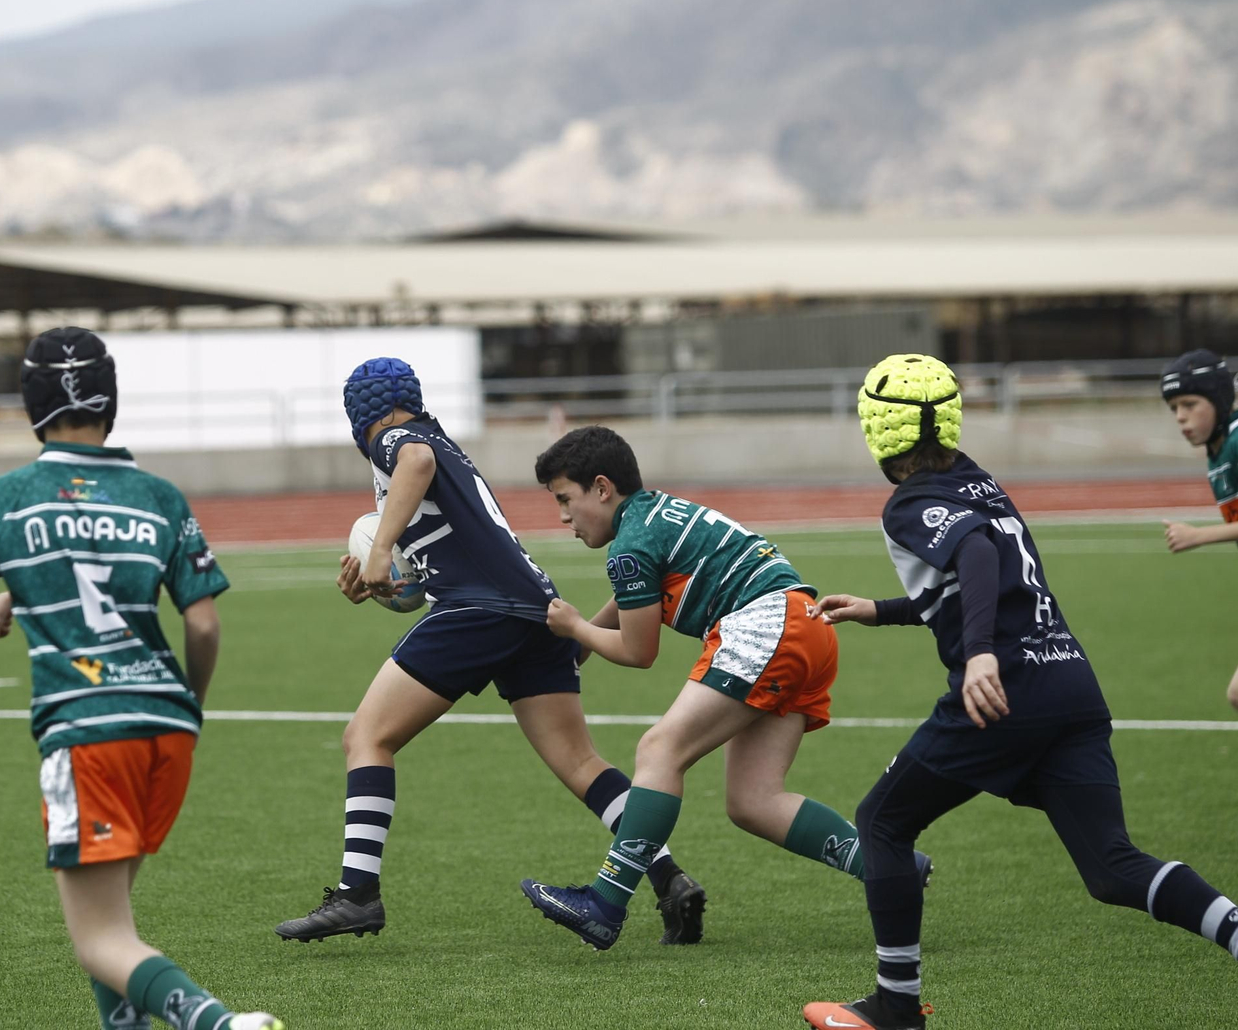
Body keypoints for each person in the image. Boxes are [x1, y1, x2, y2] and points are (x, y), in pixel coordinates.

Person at [801, 353, 1238, 1030]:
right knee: (1112, 867)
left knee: (883, 821)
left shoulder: (909, 502)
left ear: (876, 428)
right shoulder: (976, 476)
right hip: (1070, 682)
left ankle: (895, 1006)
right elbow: (986, 573)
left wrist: (978, 656)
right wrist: (883, 608)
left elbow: (975, 555)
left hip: (1006, 691)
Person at [274, 358, 706, 944]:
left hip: (479, 608)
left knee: (366, 737)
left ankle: (358, 895)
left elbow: (415, 463)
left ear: (363, 411)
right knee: (581, 763)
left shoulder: (401, 440)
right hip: (532, 607)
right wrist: (376, 583)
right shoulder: (438, 445)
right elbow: (436, 560)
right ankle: (669, 878)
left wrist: (378, 553)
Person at [0, 327, 281, 1030]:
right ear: (110, 400)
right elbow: (204, 626)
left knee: (100, 937)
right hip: (167, 726)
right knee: (114, 926)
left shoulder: (6, 498)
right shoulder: (159, 496)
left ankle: (218, 1023)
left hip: (86, 728)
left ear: (31, 403)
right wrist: (191, 706)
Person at [518, 424, 925, 950]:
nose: (563, 518)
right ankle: (892, 869)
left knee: (660, 748)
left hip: (766, 626)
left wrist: (575, 628)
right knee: (753, 801)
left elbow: (640, 653)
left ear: (601, 488)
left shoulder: (629, 545)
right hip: (808, 625)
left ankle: (604, 903)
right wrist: (578, 645)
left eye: (565, 500)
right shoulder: (653, 513)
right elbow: (630, 601)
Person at [1158, 348, 1238, 711]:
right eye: (1174, 408)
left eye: (1190, 404)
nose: (1180, 417)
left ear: (1219, 399)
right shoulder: (1217, 452)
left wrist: (1198, 536)